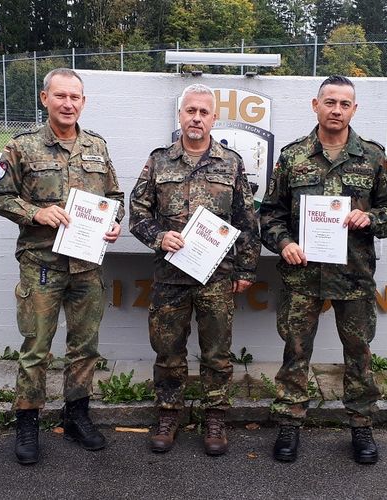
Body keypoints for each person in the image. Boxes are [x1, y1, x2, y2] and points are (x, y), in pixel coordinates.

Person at [258, 75, 387, 464]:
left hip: (353, 276)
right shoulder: (293, 157)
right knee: (295, 352)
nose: (336, 110)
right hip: (302, 276)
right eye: (330, 102)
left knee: (358, 353)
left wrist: (369, 218)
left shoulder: (372, 157)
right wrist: (284, 243)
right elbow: (269, 213)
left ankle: (360, 425)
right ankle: (290, 422)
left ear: (354, 109)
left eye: (344, 104)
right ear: (315, 105)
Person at [0, 68, 124, 465]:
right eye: (61, 96)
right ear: (45, 98)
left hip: (86, 267)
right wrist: (36, 213)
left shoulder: (97, 146)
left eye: (75, 98)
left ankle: (76, 413)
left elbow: (114, 194)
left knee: (84, 347)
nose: (68, 104)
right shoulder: (21, 146)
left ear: (83, 102)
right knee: (37, 348)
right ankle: (28, 421)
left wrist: (113, 222)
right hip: (42, 265)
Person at [129, 83, 260, 456]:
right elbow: (137, 212)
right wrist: (158, 236)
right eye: (190, 111)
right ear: (180, 115)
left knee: (217, 352)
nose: (196, 118)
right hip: (170, 277)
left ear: (213, 118)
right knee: (168, 351)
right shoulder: (159, 161)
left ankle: (215, 417)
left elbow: (247, 220)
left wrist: (246, 269)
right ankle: (169, 414)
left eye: (204, 112)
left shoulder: (231, 163)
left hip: (216, 278)